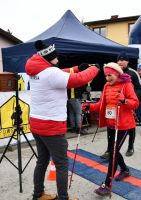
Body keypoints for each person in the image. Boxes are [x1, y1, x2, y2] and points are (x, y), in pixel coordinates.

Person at [25, 40, 99, 200]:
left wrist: (78, 68)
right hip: (51, 125)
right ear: (48, 59)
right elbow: (78, 79)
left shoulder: (36, 71)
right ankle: (63, 198)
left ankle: (38, 194)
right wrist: (94, 69)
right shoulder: (51, 73)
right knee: (61, 164)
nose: (58, 60)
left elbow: (62, 72)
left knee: (42, 161)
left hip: (37, 123)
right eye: (55, 58)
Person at [82, 62, 139, 196]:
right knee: (114, 150)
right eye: (106, 76)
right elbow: (102, 104)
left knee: (113, 152)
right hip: (111, 124)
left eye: (110, 75)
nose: (108, 78)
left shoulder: (127, 85)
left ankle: (106, 185)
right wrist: (89, 107)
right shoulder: (106, 86)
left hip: (124, 125)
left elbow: (135, 103)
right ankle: (125, 170)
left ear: (117, 73)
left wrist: (124, 100)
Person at [100, 52, 141, 158]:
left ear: (127, 61)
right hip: (115, 106)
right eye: (118, 60)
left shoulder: (133, 73)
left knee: (130, 125)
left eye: (123, 60)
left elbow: (139, 88)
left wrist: (127, 100)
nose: (120, 62)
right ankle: (109, 150)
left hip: (128, 103)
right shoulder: (112, 73)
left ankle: (130, 146)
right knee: (111, 127)